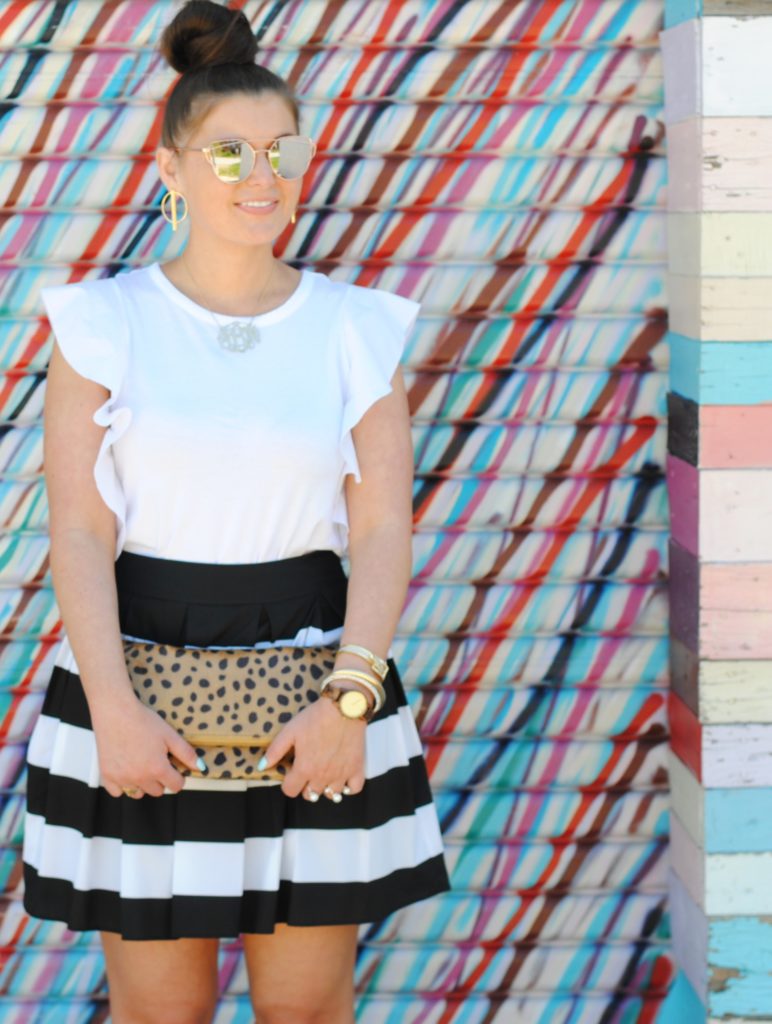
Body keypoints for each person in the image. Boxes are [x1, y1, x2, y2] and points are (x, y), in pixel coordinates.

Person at [20, 2, 451, 1021]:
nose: (260, 177)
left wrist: (352, 703)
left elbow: (384, 526)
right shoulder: (105, 323)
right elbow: (80, 530)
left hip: (317, 685)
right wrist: (112, 710)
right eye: (226, 154)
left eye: (279, 152)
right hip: (139, 682)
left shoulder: (354, 326)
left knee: (304, 1010)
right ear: (169, 171)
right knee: (160, 1013)